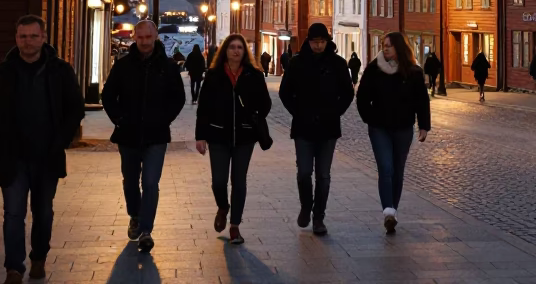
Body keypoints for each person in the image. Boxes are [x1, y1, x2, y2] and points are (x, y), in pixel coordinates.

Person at [0, 16, 85, 284]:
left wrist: (62, 140)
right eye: (23, 36)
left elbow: (75, 109)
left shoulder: (60, 71)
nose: (28, 41)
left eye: (34, 36)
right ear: (16, 39)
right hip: (13, 156)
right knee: (13, 213)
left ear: (44, 38)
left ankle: (38, 257)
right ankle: (14, 268)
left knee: (43, 212)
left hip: (48, 155)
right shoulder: (3, 73)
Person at [102, 20, 186, 253]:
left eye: (149, 37)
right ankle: (135, 215)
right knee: (130, 181)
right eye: (140, 37)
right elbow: (109, 96)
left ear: (155, 37)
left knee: (150, 182)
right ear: (134, 38)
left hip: (156, 135)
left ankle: (146, 230)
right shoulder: (123, 65)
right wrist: (119, 119)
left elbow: (178, 98)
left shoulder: (168, 67)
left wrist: (164, 119)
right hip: (127, 134)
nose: (145, 42)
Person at [195, 33, 271, 245]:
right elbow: (203, 108)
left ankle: (235, 226)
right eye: (232, 47)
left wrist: (252, 116)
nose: (236, 51)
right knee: (218, 181)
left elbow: (265, 104)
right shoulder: (213, 75)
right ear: (225, 51)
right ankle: (223, 206)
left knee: (239, 181)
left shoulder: (254, 75)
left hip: (245, 136)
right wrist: (200, 136)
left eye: (240, 47)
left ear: (245, 52)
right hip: (218, 135)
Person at [280, 23, 354, 235]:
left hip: (328, 127)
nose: (319, 45)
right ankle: (306, 205)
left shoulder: (338, 64)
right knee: (304, 172)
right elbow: (285, 92)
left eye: (322, 42)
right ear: (309, 41)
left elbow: (348, 93)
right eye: (315, 42)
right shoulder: (297, 63)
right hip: (303, 127)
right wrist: (297, 111)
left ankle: (319, 216)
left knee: (323, 175)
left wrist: (335, 112)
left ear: (327, 42)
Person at [356, 32, 430, 234]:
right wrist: (370, 118)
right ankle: (388, 211)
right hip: (379, 127)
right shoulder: (374, 69)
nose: (385, 48)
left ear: (399, 47)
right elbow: (362, 97)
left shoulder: (413, 72)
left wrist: (423, 125)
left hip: (404, 128)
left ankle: (393, 211)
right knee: (386, 168)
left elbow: (421, 101)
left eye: (389, 45)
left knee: (398, 170)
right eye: (383, 45)